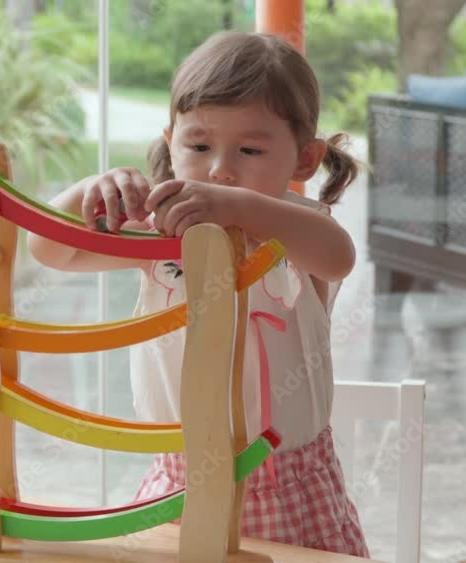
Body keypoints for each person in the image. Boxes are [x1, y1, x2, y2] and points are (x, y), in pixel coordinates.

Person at [27, 31, 369, 557]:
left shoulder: (298, 229)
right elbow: (49, 249)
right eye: (199, 146)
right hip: (179, 483)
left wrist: (236, 208)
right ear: (171, 142)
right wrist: (88, 194)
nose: (220, 170)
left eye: (250, 150)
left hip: (290, 487)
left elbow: (338, 255)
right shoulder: (164, 238)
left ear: (304, 160)